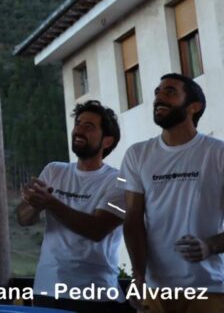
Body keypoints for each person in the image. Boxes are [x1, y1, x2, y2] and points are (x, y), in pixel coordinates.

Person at [121, 74, 223, 313]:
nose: (159, 98)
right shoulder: (137, 154)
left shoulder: (218, 153)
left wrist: (210, 245)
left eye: (170, 92)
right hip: (155, 291)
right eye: (157, 92)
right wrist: (138, 276)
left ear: (194, 107)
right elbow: (133, 221)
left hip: (209, 288)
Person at [16, 100, 129, 312]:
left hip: (95, 295)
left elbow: (97, 230)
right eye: (78, 123)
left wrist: (50, 202)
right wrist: (34, 204)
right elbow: (23, 219)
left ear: (107, 141)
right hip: (46, 291)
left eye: (89, 126)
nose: (79, 129)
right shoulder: (54, 170)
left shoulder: (120, 181)